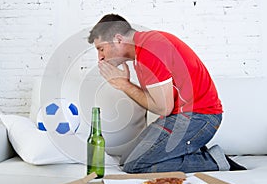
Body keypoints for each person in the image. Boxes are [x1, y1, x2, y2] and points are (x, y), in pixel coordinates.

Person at [87, 14, 246, 173]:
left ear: (118, 39)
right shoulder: (143, 49)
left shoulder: (150, 50)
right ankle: (190, 150)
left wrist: (125, 85)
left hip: (201, 117)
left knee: (135, 166)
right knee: (126, 159)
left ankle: (215, 161)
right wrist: (125, 85)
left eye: (101, 49)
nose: (100, 57)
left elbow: (163, 108)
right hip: (179, 117)